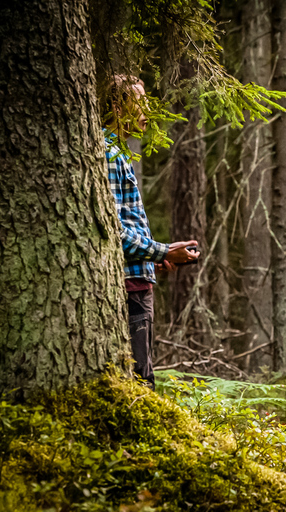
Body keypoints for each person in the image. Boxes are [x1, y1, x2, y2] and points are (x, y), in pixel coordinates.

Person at [104, 75, 199, 388]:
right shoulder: (109, 154)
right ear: (118, 107)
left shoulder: (118, 152)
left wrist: (157, 254)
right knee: (139, 379)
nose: (146, 111)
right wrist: (161, 251)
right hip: (128, 285)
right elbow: (112, 228)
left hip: (136, 276)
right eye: (139, 102)